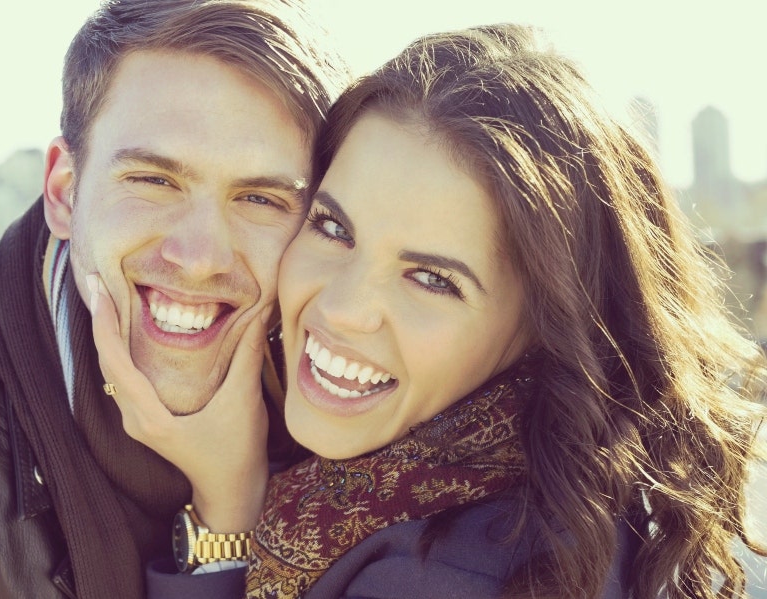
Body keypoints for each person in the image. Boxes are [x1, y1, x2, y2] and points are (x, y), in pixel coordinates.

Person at [91, 24, 767, 598]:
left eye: (431, 279)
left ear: (546, 322)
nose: (345, 308)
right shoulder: (571, 494)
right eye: (333, 228)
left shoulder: (450, 572)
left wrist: (227, 512)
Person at [0, 1, 348, 597]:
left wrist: (233, 493)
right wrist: (229, 521)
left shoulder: (353, 409)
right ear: (64, 193)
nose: (199, 257)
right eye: (154, 181)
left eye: (261, 199)